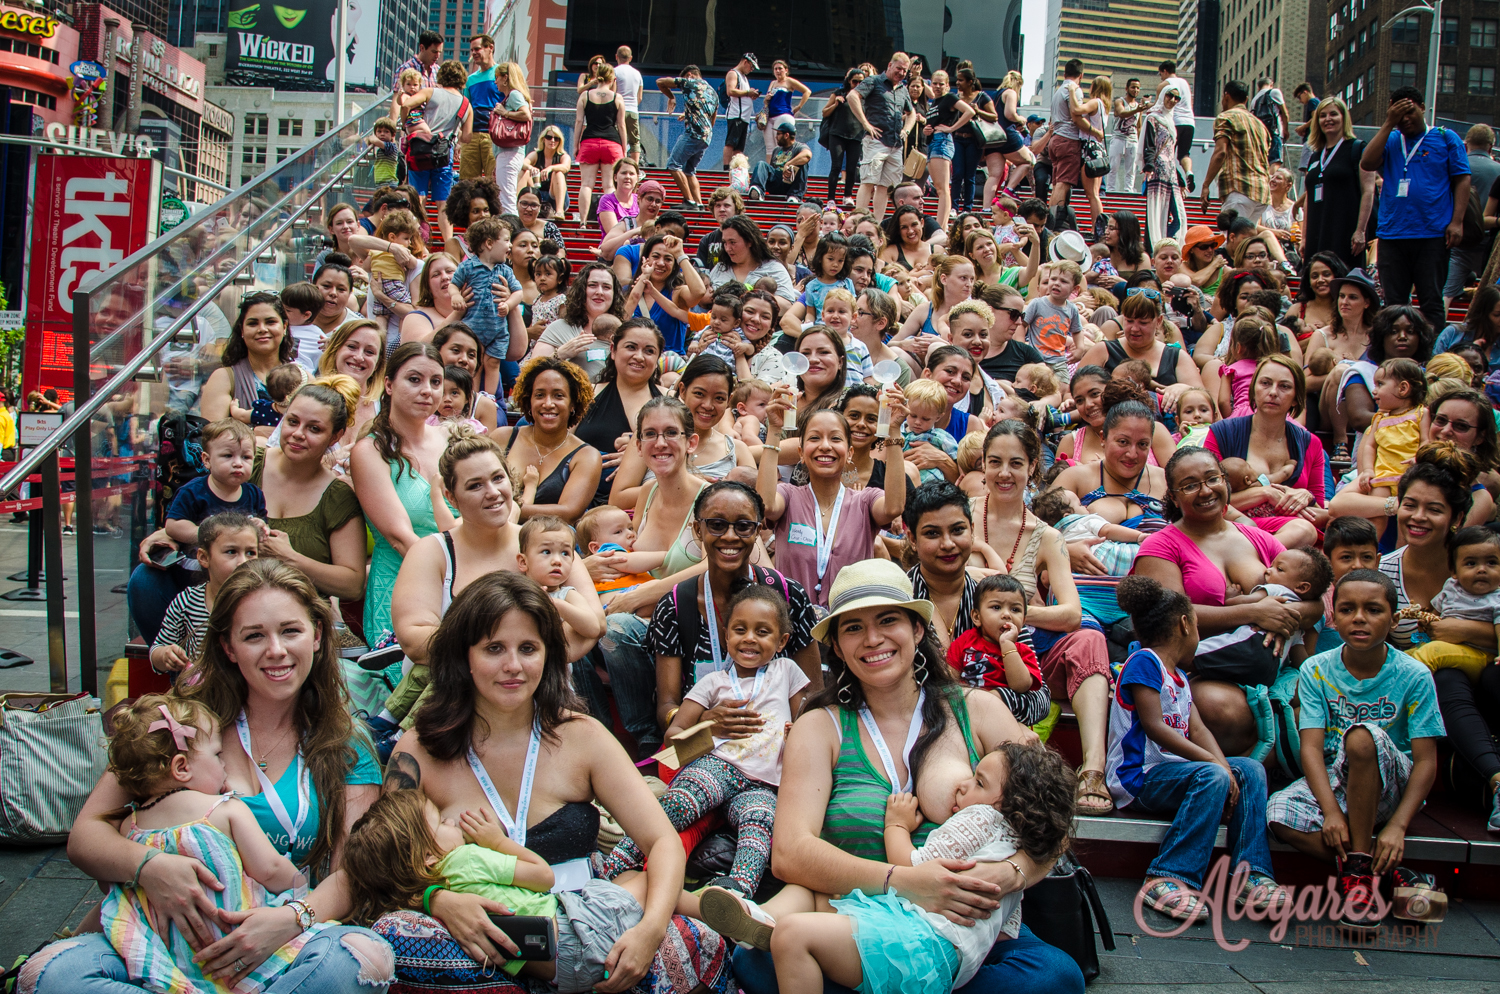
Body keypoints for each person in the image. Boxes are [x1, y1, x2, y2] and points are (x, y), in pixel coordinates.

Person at [726, 558, 1084, 994]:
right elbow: (790, 853)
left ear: (917, 629)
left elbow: (1056, 810)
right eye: (853, 627)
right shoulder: (820, 725)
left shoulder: (977, 708)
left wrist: (1015, 870)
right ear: (836, 646)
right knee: (759, 962)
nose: (872, 638)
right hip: (854, 926)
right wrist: (907, 882)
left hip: (965, 934)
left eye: (888, 620)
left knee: (1053, 976)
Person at [31, 559, 389, 994]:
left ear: (317, 635)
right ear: (228, 646)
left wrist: (290, 920)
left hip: (283, 942)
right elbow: (86, 836)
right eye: (254, 635)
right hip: (158, 941)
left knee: (361, 961)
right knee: (53, 975)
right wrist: (151, 867)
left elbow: (350, 870)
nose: (276, 649)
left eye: (290, 631)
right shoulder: (178, 723)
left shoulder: (346, 739)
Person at [374, 570, 731, 994]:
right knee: (398, 935)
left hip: (584, 931)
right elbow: (385, 867)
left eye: (528, 648)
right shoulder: (418, 750)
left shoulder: (582, 736)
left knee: (694, 942)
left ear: (549, 655)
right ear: (463, 656)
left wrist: (649, 933)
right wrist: (439, 900)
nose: (513, 666)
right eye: (493, 649)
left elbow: (663, 842)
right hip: (472, 944)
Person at [378, 430, 599, 742]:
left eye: (498, 478)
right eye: (475, 485)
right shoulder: (432, 552)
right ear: (452, 498)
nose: (493, 492)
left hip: (540, 706)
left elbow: (593, 625)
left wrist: (489, 651)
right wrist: (525, 647)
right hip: (452, 711)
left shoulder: (547, 546)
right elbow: (415, 640)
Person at [1267, 568, 1446, 931]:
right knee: (1278, 813)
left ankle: (1359, 886)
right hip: (1339, 780)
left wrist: (1397, 826)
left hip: (1391, 783)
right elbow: (1313, 751)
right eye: (1347, 609)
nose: (1359, 618)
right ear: (1335, 616)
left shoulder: (1414, 675)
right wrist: (1331, 812)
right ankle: (1387, 873)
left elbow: (1426, 761)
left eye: (1374, 610)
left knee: (1364, 737)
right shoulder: (1317, 669)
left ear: (1394, 619)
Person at [603, 582, 808, 899]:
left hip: (765, 783)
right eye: (740, 629)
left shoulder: (787, 671)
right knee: (679, 804)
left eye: (762, 632)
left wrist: (799, 733)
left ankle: (737, 892)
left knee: (761, 824)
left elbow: (805, 720)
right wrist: (710, 728)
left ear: (782, 641)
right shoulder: (713, 682)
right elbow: (673, 742)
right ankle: (620, 859)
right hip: (718, 766)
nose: (749, 638)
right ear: (727, 637)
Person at [1108, 575, 1284, 922]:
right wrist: (1215, 767)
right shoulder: (1144, 661)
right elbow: (1156, 728)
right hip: (1138, 779)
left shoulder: (1180, 677)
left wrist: (1223, 766)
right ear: (1185, 624)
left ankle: (1252, 872)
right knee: (1212, 774)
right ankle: (1169, 876)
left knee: (1250, 769)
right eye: (1200, 627)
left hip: (1178, 773)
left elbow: (1199, 728)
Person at [1130, 447, 1323, 756]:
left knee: (1324, 693)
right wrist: (1256, 612)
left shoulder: (1256, 537)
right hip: (1199, 668)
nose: (1206, 490)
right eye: (1191, 485)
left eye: (1212, 479)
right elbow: (1170, 618)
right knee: (1222, 708)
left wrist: (1285, 613)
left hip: (1270, 666)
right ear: (1175, 497)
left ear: (1226, 481)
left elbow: (1316, 601)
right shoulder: (1161, 546)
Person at [757, 393, 909, 609]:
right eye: (814, 438)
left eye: (836, 439)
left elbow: (894, 507)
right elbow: (765, 505)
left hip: (848, 628)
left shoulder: (865, 501)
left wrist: (893, 430)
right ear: (801, 452)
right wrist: (773, 431)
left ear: (849, 453)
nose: (825, 446)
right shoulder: (788, 496)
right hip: (794, 629)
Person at [1360, 87, 1471, 332]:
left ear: (1422, 108)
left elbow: (1463, 178)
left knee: (1431, 299)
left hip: (1432, 233)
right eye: (1399, 115)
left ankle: (1431, 355)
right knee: (1393, 303)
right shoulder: (1390, 139)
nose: (1405, 119)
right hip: (1393, 235)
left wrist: (1457, 221)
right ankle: (1394, 357)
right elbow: (1367, 162)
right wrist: (1389, 123)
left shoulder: (1445, 137)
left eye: (1409, 112)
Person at [1202, 355, 1326, 548]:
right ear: (1254, 390)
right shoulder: (1222, 433)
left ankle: (1256, 559)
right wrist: (1264, 493)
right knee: (1303, 530)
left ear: (1296, 398)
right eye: (1266, 383)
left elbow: (1321, 513)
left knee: (1308, 530)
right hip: (1234, 530)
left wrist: (1306, 497)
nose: (1273, 392)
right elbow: (1206, 499)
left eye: (1284, 386)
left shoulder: (1311, 443)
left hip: (1293, 534)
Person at [495, 356, 604, 524]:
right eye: (539, 395)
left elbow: (568, 513)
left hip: (551, 544)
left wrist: (500, 508)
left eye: (558, 396)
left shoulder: (586, 456)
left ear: (573, 404)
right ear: (528, 399)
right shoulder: (502, 438)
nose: (548, 403)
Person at [149, 513, 259, 675]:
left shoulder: (263, 601)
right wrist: (166, 654)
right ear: (204, 557)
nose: (243, 561)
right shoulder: (187, 602)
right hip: (201, 692)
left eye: (250, 553)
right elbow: (157, 651)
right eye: (231, 552)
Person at [944, 574, 1050, 725]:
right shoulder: (965, 642)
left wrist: (1008, 646)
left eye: (1015, 609)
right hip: (967, 713)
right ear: (976, 617)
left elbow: (1021, 686)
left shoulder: (1023, 652)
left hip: (1006, 719)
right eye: (996, 607)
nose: (1007, 615)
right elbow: (949, 679)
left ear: (1024, 621)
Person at [402, 60, 472, 246]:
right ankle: (449, 243)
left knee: (419, 196)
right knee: (443, 203)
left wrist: (405, 125)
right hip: (443, 153)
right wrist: (453, 138)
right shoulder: (466, 104)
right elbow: (467, 136)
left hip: (420, 149)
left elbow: (407, 104)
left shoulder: (430, 92)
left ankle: (417, 240)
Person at [1301, 97, 1375, 270]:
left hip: (1344, 231)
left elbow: (1368, 191)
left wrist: (1360, 231)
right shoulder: (1315, 156)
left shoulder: (1357, 149)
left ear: (1344, 118)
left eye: (1334, 114)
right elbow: (1308, 197)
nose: (1328, 119)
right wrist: (1304, 236)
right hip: (1316, 232)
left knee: (1343, 278)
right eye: (1323, 115)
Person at [846, 53, 917, 220]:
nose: (901, 73)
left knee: (886, 186)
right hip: (876, 140)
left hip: (895, 144)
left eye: (904, 71)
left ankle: (877, 224)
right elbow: (852, 96)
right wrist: (865, 123)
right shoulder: (874, 81)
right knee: (868, 181)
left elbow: (911, 113)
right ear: (890, 65)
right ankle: (860, 221)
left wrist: (906, 130)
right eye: (898, 68)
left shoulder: (903, 89)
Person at [1444, 125, 1500, 309]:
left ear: (1466, 145)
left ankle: (1436, 335)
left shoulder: (1451, 168)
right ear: (1490, 147)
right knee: (1490, 296)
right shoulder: (1497, 171)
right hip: (1489, 243)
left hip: (1458, 240)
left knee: (1446, 294)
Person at [1201, 80, 1272, 225]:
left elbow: (1220, 152)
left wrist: (1206, 184)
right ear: (1246, 100)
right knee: (1245, 242)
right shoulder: (1261, 125)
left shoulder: (1226, 117)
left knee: (1231, 240)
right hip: (1261, 192)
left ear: (1226, 96)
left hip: (1239, 188)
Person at [658, 66, 719, 213]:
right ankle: (699, 204)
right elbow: (712, 117)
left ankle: (690, 200)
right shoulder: (712, 92)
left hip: (693, 133)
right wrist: (690, 116)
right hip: (706, 136)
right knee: (689, 170)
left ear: (689, 75)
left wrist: (671, 97)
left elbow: (660, 82)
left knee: (673, 164)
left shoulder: (689, 82)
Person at [573, 65, 626, 225]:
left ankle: (583, 221)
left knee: (586, 184)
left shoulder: (585, 95)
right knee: (609, 185)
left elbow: (579, 121)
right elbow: (621, 125)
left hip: (589, 141)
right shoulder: (617, 98)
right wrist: (624, 147)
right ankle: (610, 222)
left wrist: (576, 144)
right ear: (612, 79)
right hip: (612, 142)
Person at [709, 216, 798, 300]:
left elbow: (786, 305)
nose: (728, 248)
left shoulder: (774, 268)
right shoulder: (719, 268)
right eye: (725, 243)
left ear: (750, 241)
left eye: (732, 242)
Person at [823, 68, 867, 206]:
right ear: (849, 81)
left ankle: (848, 195)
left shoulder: (865, 97)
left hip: (856, 135)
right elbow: (824, 112)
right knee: (836, 166)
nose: (858, 84)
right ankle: (831, 198)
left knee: (852, 167)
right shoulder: (839, 93)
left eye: (861, 81)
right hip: (837, 133)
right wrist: (836, 104)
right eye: (855, 81)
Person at [762, 60, 811, 162]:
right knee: (769, 147)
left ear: (786, 70)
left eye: (780, 68)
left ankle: (782, 168)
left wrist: (799, 106)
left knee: (780, 144)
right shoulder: (773, 83)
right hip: (770, 116)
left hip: (783, 115)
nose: (778, 71)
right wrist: (766, 99)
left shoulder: (789, 81)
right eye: (775, 69)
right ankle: (769, 171)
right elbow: (766, 102)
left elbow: (807, 91)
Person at [751, 122, 812, 202]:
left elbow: (807, 155)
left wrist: (788, 164)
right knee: (761, 164)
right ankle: (757, 190)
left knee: (803, 164)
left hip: (791, 183)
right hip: (776, 182)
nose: (776, 137)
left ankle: (795, 196)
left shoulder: (799, 147)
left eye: (778, 134)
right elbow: (772, 169)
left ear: (786, 135)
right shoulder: (776, 150)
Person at [522, 127, 574, 220]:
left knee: (558, 173)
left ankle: (559, 211)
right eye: (549, 137)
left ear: (560, 141)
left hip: (555, 197)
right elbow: (523, 163)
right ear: (543, 139)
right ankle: (517, 207)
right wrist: (531, 168)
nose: (552, 140)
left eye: (556, 138)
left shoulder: (563, 156)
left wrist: (550, 168)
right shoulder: (536, 154)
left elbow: (565, 167)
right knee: (524, 172)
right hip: (537, 193)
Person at [722, 53, 761, 169]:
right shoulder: (733, 73)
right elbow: (731, 91)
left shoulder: (743, 77)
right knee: (731, 143)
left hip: (744, 116)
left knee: (739, 147)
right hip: (736, 115)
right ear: (745, 62)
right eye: (751, 66)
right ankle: (726, 169)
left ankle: (737, 169)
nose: (751, 69)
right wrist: (748, 93)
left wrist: (750, 94)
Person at [1110, 78, 1142, 193]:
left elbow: (1139, 126)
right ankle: (1111, 190)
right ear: (1127, 88)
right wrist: (1137, 110)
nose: (1136, 90)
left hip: (1132, 140)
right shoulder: (1120, 101)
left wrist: (1139, 142)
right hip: (1118, 138)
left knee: (1131, 169)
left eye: (1138, 88)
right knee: (1113, 167)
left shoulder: (1139, 106)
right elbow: (1121, 113)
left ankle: (1129, 191)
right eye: (1133, 87)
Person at [1249, 76, 1290, 166]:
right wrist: (1285, 130)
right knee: (1275, 161)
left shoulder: (1254, 100)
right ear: (1271, 85)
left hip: (1260, 135)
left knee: (1263, 162)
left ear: (1258, 87)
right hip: (1274, 132)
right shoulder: (1274, 92)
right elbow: (1285, 113)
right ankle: (1270, 180)